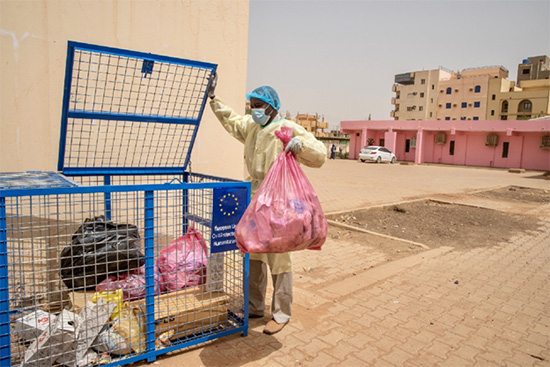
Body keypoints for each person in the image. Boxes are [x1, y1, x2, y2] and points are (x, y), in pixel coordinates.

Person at [207, 73, 326, 335]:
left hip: (280, 201)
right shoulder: (252, 127)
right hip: (255, 197)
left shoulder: (287, 127)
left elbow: (320, 154)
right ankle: (254, 306)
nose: (254, 110)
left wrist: (300, 145)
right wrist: (213, 99)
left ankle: (281, 313)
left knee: (280, 257)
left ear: (272, 107)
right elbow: (232, 120)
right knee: (256, 252)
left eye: (259, 106)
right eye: (252, 106)